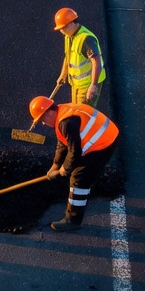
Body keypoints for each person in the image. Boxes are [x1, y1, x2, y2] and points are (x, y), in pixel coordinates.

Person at [29, 96, 120, 231]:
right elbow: (63, 143)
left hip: (103, 143)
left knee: (78, 177)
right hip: (108, 134)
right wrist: (55, 166)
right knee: (81, 170)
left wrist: (64, 170)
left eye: (42, 119)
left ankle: (73, 220)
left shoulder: (67, 122)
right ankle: (90, 178)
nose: (43, 123)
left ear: (48, 112)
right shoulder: (62, 113)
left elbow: (74, 152)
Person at [54, 7, 105, 107]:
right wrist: (63, 74)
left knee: (83, 113)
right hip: (76, 84)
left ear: (72, 23)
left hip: (88, 84)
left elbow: (96, 62)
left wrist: (93, 85)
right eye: (60, 29)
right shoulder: (69, 36)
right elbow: (68, 56)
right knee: (76, 109)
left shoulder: (86, 39)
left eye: (63, 27)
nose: (61, 31)